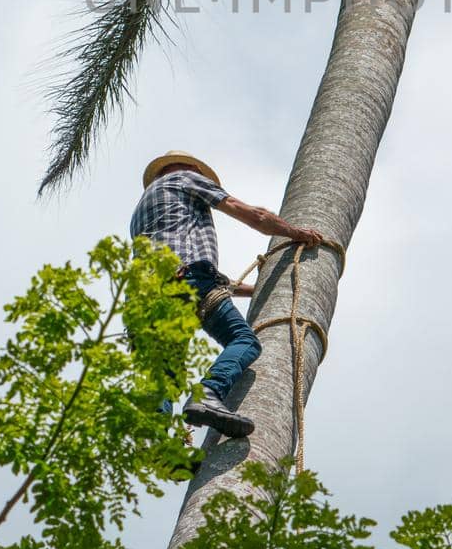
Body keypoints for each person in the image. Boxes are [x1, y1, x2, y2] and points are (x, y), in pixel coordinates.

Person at [132, 151, 324, 439]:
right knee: (244, 341)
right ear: (191, 168)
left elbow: (210, 277)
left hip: (146, 303)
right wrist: (294, 232)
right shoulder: (186, 178)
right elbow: (252, 215)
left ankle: (159, 445)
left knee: (165, 376)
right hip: (189, 281)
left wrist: (256, 288)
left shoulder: (143, 211)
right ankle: (209, 392)